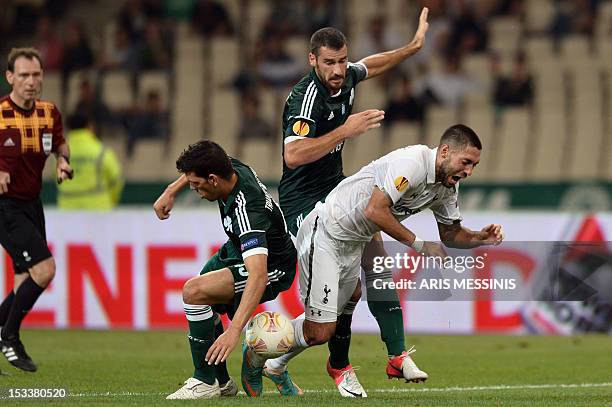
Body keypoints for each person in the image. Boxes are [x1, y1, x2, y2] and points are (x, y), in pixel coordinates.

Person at [266, 7, 430, 397]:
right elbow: (294, 156)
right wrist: (347, 129)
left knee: (375, 256)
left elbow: (370, 64)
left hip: (336, 190)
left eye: (342, 61)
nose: (339, 70)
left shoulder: (347, 76)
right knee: (343, 301)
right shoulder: (306, 99)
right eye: (329, 63)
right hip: (303, 205)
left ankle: (394, 354)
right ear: (313, 60)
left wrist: (411, 47)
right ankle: (303, 361)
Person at [281, 124, 504, 395]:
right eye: (466, 162)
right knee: (320, 330)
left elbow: (451, 233)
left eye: (474, 166)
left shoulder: (446, 188)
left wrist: (479, 238)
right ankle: (261, 348)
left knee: (346, 304)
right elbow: (375, 210)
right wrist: (421, 246)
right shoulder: (412, 163)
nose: (468, 172)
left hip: (355, 241)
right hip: (327, 231)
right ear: (445, 151)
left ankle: (350, 363)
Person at [153, 140, 297, 399]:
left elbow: (259, 274)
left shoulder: (247, 210)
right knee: (200, 296)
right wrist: (171, 190)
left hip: (274, 266)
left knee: (194, 291)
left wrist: (234, 331)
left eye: (196, 185)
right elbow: (203, 166)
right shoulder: (229, 167)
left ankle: (204, 381)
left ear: (213, 180)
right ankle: (221, 383)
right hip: (236, 250)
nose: (195, 190)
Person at [0, 47, 73, 372]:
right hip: (4, 205)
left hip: (32, 202)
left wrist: (63, 161)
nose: (32, 82)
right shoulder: (0, 113)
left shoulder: (49, 112)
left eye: (37, 75)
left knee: (23, 280)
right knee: (44, 270)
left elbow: (59, 141)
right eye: (25, 75)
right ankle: (10, 336)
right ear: (10, 77)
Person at [57, 111, 124, 210]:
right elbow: (116, 181)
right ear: (89, 127)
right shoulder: (102, 152)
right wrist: (111, 201)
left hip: (67, 212)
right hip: (99, 211)